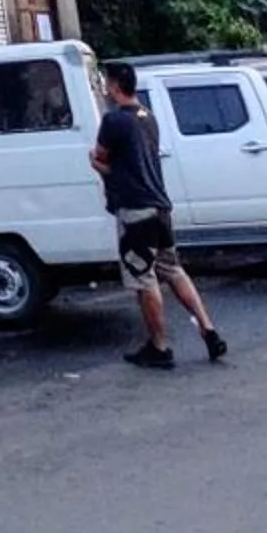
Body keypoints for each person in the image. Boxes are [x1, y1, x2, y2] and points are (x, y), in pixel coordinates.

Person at [91, 61, 228, 371]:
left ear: (114, 87)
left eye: (105, 83)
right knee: (172, 269)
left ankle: (159, 346)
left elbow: (102, 159)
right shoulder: (147, 117)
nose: (104, 88)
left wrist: (96, 164)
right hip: (160, 205)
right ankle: (208, 329)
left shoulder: (113, 121)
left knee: (144, 278)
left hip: (135, 209)